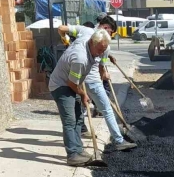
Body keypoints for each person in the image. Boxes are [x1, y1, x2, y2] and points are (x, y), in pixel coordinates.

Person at [59, 19, 137, 151]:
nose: (109, 35)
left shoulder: (85, 30)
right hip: (91, 79)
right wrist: (102, 79)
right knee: (106, 109)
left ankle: (82, 131)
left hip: (74, 75)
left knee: (80, 106)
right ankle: (118, 141)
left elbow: (61, 28)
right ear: (105, 27)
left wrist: (65, 40)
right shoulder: (100, 41)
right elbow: (101, 67)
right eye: (110, 31)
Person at [49, 29, 111, 166]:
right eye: (100, 50)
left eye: (104, 50)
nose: (101, 54)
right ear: (92, 44)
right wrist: (83, 94)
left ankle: (78, 149)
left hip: (72, 83)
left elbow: (75, 81)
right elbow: (71, 83)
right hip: (61, 86)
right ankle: (72, 155)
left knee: (78, 118)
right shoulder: (80, 59)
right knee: (70, 120)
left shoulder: (89, 41)